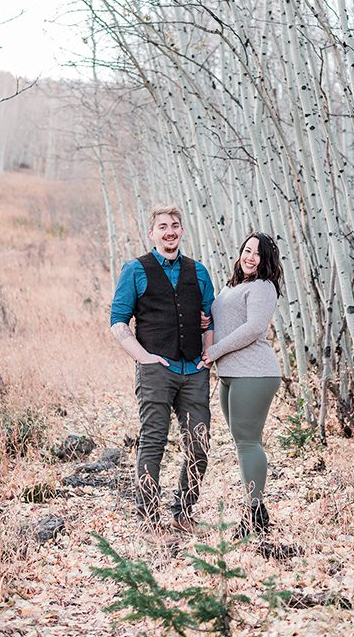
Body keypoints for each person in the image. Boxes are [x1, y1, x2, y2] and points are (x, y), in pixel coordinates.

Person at [110, 205, 215, 530]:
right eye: (162, 226)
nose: (169, 231)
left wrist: (207, 355)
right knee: (153, 441)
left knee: (199, 444)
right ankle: (148, 519)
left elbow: (209, 318)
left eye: (174, 225)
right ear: (152, 233)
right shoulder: (135, 270)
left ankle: (183, 512)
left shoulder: (198, 271)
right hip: (156, 368)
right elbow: (117, 322)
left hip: (194, 369)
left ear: (181, 231)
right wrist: (142, 357)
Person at [202, 231, 283, 538]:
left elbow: (254, 328)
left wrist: (214, 352)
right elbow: (222, 321)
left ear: (265, 260)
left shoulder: (263, 287)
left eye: (257, 254)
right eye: (246, 250)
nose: (250, 257)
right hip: (231, 374)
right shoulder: (234, 285)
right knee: (241, 442)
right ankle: (254, 511)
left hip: (255, 372)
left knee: (249, 441)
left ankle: (256, 515)